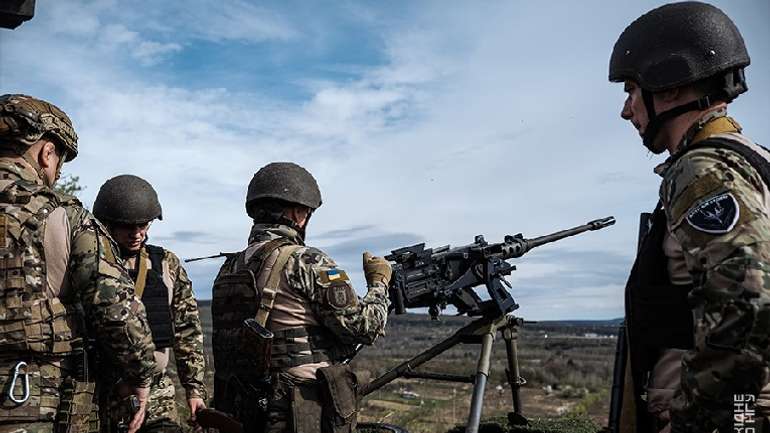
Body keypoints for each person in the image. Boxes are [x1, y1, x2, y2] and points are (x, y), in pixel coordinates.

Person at [609, 2, 770, 432]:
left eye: (631, 90)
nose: (627, 110)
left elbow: (746, 301)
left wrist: (698, 420)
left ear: (669, 86)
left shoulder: (703, 172)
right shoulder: (751, 159)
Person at [0, 94, 156, 433]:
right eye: (60, 161)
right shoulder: (65, 217)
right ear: (47, 152)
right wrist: (139, 374)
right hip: (27, 394)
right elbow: (116, 311)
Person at [211, 162, 391, 433]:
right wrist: (379, 284)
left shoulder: (230, 267)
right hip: (297, 410)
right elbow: (364, 327)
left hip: (245, 407)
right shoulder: (307, 260)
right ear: (298, 213)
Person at [92, 175, 207, 432]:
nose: (137, 234)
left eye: (143, 225)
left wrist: (194, 390)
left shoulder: (166, 264)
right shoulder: (89, 265)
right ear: (108, 224)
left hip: (157, 391)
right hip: (101, 391)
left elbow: (187, 331)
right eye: (127, 227)